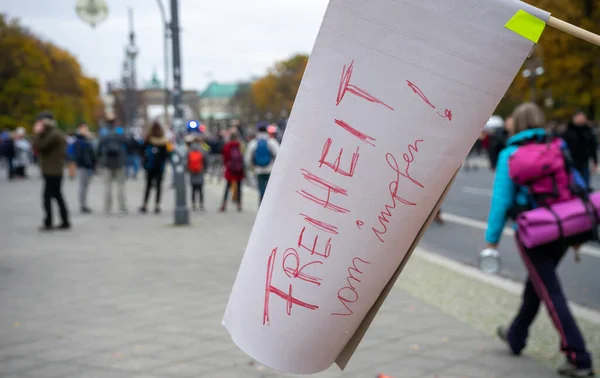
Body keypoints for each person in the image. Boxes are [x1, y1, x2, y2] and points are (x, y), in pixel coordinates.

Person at [485, 103, 594, 377]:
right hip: (563, 227)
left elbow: (501, 201)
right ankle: (516, 335)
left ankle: (579, 357)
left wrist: (492, 242)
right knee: (538, 284)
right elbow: (576, 184)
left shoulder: (510, 154)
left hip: (533, 231)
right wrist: (581, 231)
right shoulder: (558, 146)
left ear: (517, 123)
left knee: (549, 290)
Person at [32, 112, 70, 231]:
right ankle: (65, 221)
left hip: (53, 171)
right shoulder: (52, 133)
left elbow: (40, 146)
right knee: (57, 195)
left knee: (48, 196)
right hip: (52, 170)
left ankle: (49, 222)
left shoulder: (53, 134)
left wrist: (38, 133)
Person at [97, 117, 128, 215]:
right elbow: (128, 143)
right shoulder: (119, 134)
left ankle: (107, 208)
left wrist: (100, 161)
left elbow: (98, 148)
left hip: (107, 163)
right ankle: (122, 208)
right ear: (115, 124)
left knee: (108, 187)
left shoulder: (104, 135)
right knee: (120, 186)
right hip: (119, 163)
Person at [245, 122, 279, 204]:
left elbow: (247, 158)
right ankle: (269, 206)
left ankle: (261, 207)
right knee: (270, 190)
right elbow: (278, 155)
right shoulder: (272, 141)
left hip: (258, 170)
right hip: (270, 170)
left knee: (261, 190)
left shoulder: (254, 142)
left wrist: (252, 167)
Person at [562, 111, 598, 188]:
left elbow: (593, 146)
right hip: (572, 162)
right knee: (574, 184)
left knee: (585, 183)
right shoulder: (568, 131)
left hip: (584, 161)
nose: (580, 119)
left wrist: (595, 160)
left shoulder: (588, 131)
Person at [140, 121, 169, 214]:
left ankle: (145, 205)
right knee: (159, 186)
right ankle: (157, 205)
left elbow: (142, 150)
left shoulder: (148, 139)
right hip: (160, 166)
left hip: (150, 166)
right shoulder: (163, 140)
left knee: (148, 186)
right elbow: (167, 154)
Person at [73, 122, 96, 213]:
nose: (86, 131)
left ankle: (84, 204)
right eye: (84, 129)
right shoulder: (79, 141)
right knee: (83, 186)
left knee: (85, 186)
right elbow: (80, 154)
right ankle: (83, 205)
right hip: (83, 166)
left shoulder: (86, 140)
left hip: (87, 166)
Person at [220, 133, 245, 212]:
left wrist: (225, 165)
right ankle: (239, 204)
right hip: (239, 169)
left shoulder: (227, 146)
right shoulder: (240, 146)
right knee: (239, 187)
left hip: (230, 169)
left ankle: (224, 205)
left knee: (227, 187)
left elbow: (225, 158)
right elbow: (243, 157)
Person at [187, 136, 209, 211]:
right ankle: (201, 204)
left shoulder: (190, 150)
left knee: (193, 189)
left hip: (192, 172)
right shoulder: (202, 149)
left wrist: (188, 170)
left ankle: (193, 204)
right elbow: (206, 159)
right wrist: (205, 169)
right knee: (200, 189)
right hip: (200, 171)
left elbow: (187, 161)